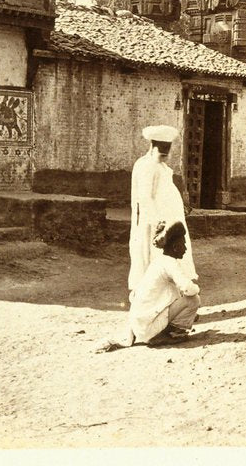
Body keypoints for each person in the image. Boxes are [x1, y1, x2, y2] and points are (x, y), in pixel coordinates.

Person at [97, 221, 200, 352]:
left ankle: (162, 330)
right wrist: (197, 290)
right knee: (193, 299)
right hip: (148, 328)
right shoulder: (170, 263)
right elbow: (188, 288)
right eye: (183, 244)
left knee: (182, 295)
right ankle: (166, 335)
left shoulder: (158, 262)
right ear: (175, 247)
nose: (185, 249)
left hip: (139, 325)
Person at [128, 125, 197, 300]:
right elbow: (145, 198)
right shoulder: (146, 165)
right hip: (155, 225)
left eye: (168, 148)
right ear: (152, 145)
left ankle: (171, 301)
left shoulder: (162, 167)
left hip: (169, 222)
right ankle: (153, 303)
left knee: (173, 261)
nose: (165, 152)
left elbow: (164, 192)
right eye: (162, 148)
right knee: (155, 260)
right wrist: (158, 224)